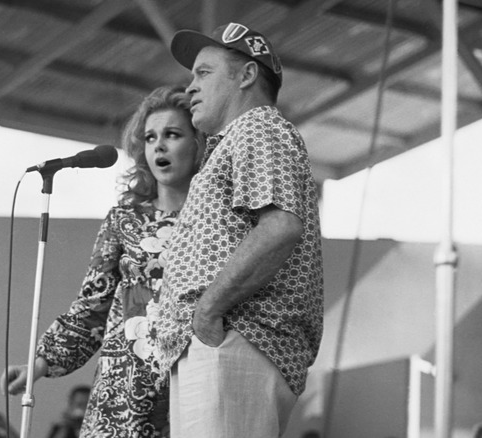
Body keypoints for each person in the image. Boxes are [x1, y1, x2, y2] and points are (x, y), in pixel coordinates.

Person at [3, 85, 204, 437]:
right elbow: (91, 307)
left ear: (199, 144)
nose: (158, 145)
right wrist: (38, 364)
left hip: (191, 380)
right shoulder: (123, 220)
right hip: (123, 391)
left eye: (172, 134)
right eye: (150, 137)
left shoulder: (218, 222)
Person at [155, 22, 324, 438]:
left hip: (236, 337)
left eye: (204, 73)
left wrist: (209, 311)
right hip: (219, 340)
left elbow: (280, 227)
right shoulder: (231, 143)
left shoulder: (258, 126)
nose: (190, 87)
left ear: (247, 75)